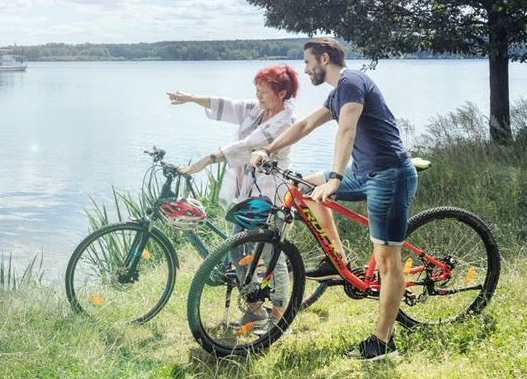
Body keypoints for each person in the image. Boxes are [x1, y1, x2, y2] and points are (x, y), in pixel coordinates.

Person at [250, 37, 417, 361]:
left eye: (308, 61)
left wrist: (337, 178)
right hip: (365, 172)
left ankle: (382, 343)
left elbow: (347, 131)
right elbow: (305, 124)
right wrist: (268, 149)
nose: (305, 68)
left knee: (387, 262)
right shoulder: (338, 91)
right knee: (307, 187)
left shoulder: (352, 82)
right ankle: (338, 262)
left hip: (389, 175)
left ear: (324, 59)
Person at [167, 63, 300, 327]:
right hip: (247, 192)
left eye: (264, 91)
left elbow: (247, 146)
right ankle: (254, 308)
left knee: (270, 252)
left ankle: (278, 314)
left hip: (269, 193)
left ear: (282, 93)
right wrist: (191, 98)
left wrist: (206, 160)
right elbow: (229, 105)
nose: (258, 96)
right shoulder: (258, 109)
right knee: (238, 248)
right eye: (257, 90)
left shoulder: (285, 122)